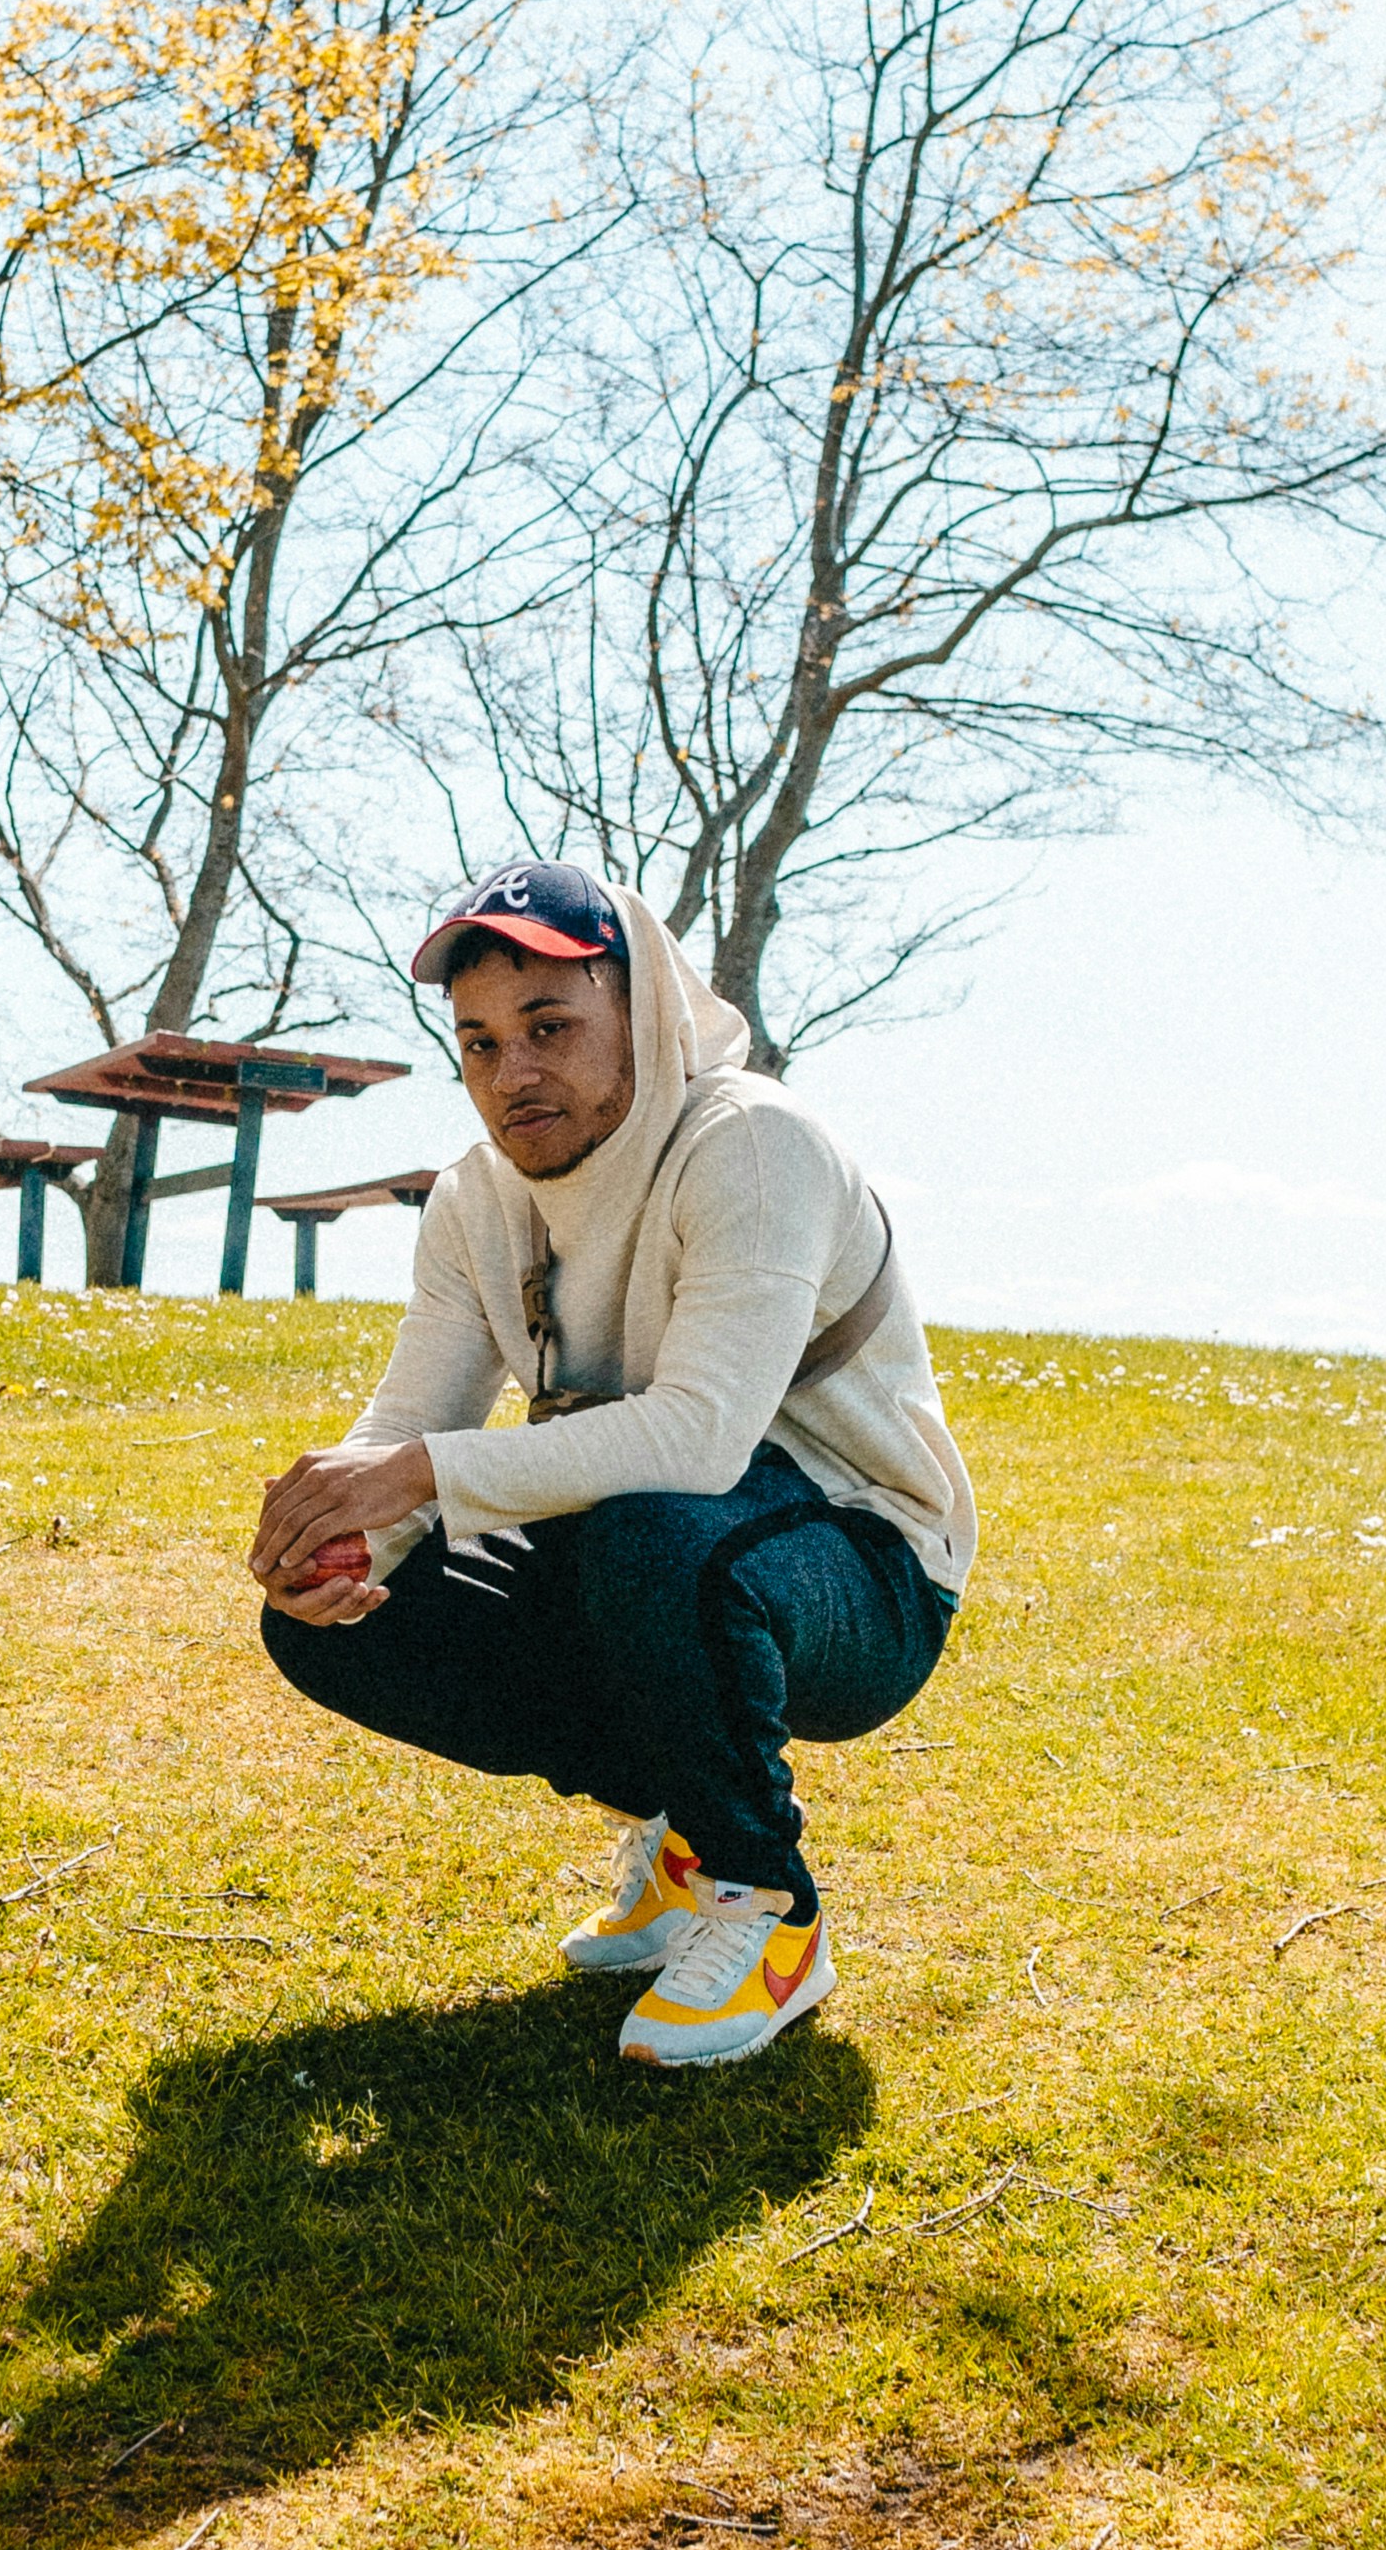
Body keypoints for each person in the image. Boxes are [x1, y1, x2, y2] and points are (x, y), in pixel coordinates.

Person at [245, 856, 974, 2072]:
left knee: (651, 1527)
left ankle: (766, 1905)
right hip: (656, 1553)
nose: (512, 1072)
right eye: (478, 1042)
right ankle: (678, 1834)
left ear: (641, 1012)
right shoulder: (478, 1197)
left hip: (864, 1571)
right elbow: (411, 1416)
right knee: (331, 1620)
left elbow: (698, 1438)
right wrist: (336, 1547)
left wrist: (415, 1475)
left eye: (549, 1025)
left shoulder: (750, 1141)